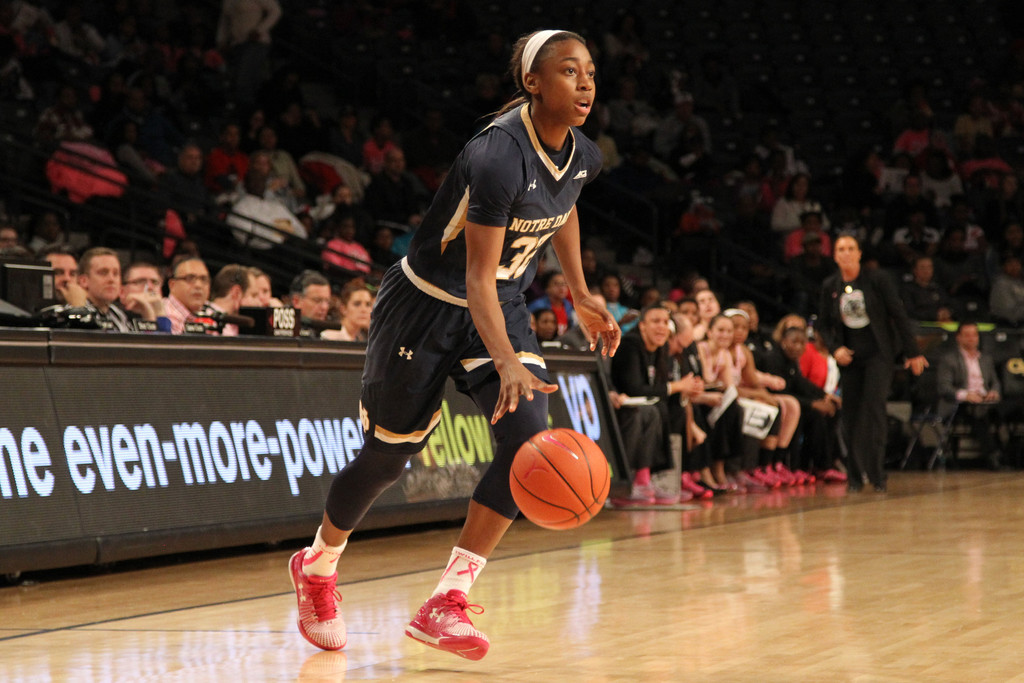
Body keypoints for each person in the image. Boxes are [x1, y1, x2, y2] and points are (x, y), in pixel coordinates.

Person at [286, 29, 616, 659]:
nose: (586, 85)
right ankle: (319, 565)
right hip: (427, 307)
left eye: (592, 74)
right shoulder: (496, 157)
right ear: (532, 83)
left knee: (527, 439)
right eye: (570, 72)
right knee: (387, 459)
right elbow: (474, 277)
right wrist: (505, 361)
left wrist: (578, 291)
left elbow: (565, 204)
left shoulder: (582, 154)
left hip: (504, 300)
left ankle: (447, 600)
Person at [817, 235, 927, 492]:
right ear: (834, 255)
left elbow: (898, 314)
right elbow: (822, 323)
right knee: (850, 416)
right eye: (840, 249)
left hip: (878, 354)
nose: (845, 253)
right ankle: (855, 477)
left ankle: (878, 476)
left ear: (859, 253)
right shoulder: (829, 285)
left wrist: (912, 353)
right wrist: (835, 349)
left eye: (850, 249)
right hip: (849, 357)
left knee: (874, 410)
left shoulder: (877, 280)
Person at [609, 305, 699, 506]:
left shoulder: (662, 348)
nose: (661, 327)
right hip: (618, 405)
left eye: (665, 322)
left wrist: (686, 389)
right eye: (655, 321)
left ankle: (649, 478)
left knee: (670, 410)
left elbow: (657, 387)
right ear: (642, 326)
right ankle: (628, 481)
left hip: (643, 406)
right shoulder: (630, 345)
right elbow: (634, 388)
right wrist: (677, 386)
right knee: (648, 412)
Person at [935, 321, 1003, 466]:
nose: (971, 338)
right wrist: (966, 395)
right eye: (967, 335)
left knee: (1010, 408)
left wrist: (994, 392)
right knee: (978, 410)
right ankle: (993, 457)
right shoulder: (949, 360)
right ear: (958, 337)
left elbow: (995, 382)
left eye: (974, 335)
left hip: (985, 400)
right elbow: (944, 387)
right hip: (959, 404)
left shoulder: (986, 359)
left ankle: (1011, 453)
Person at [75, 247, 132, 331]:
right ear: (84, 281)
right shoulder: (75, 313)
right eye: (103, 273)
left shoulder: (118, 314)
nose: (111, 279)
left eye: (116, 273)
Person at [163, 256, 211, 334]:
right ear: (172, 285)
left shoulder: (212, 313)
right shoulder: (161, 313)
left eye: (204, 279)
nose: (198, 285)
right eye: (190, 278)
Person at [202, 264, 253, 336]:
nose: (259, 303)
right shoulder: (222, 330)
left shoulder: (203, 312)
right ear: (236, 293)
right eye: (253, 295)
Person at [120, 261, 170, 330]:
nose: (149, 287)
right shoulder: (116, 317)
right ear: (122, 292)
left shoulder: (167, 313)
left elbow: (164, 340)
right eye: (140, 282)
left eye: (154, 282)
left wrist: (160, 313)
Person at [527, 271, 575, 336]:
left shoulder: (569, 305)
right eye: (556, 284)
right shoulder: (536, 306)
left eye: (564, 284)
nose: (562, 288)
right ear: (547, 288)